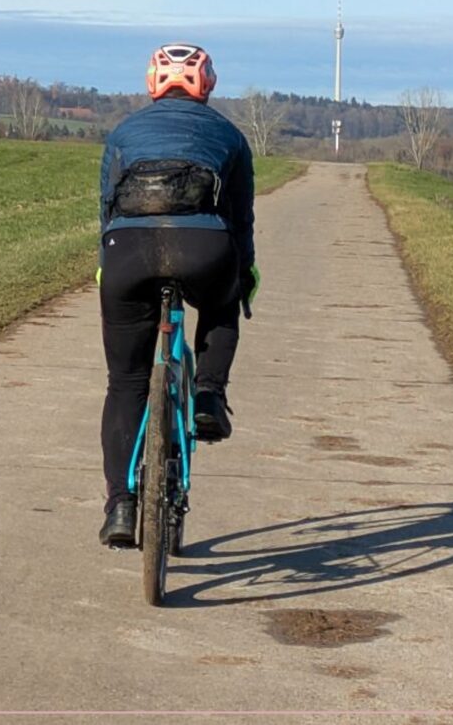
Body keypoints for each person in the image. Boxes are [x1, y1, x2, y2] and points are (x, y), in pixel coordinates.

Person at [96, 43, 259, 547]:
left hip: (128, 250)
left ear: (152, 83)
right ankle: (209, 393)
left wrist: (108, 267)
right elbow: (241, 218)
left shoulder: (123, 133)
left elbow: (106, 209)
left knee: (126, 384)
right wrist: (244, 272)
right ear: (206, 84)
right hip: (204, 246)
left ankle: (121, 507)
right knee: (221, 304)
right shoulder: (229, 135)